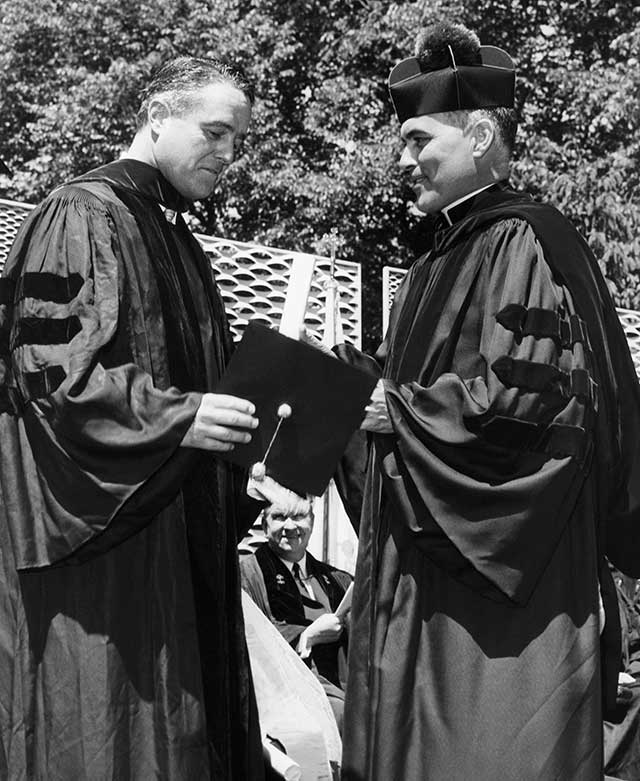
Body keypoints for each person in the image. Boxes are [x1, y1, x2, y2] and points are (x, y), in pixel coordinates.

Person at [333, 22, 640, 780]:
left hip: (498, 589)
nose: (401, 161)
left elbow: (532, 409)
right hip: (422, 566)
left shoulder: (525, 243)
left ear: (477, 132)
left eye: (416, 139)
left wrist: (397, 413)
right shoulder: (438, 254)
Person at [0, 57, 266, 779]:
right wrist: (180, 416)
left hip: (177, 535)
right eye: (214, 131)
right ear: (156, 114)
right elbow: (52, 380)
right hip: (107, 546)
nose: (228, 154)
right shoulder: (82, 212)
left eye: (238, 140)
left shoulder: (178, 240)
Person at [239, 502, 352, 729]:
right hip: (288, 691)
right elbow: (249, 641)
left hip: (341, 683)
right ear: (264, 523)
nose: (290, 526)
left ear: (312, 521)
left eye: (299, 516)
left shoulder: (338, 579)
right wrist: (306, 637)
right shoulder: (247, 575)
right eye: (279, 517)